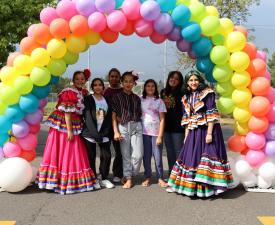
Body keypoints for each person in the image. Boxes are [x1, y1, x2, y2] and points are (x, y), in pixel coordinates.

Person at [167, 70, 234, 197]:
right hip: (193, 131)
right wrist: (186, 136)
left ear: (200, 81)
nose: (194, 82)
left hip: (207, 129)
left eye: (196, 80)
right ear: (187, 82)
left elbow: (211, 114)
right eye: (191, 80)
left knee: (207, 156)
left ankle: (211, 188)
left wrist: (209, 134)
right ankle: (192, 187)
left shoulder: (207, 93)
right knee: (191, 157)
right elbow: (187, 118)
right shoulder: (185, 97)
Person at [36, 70, 100, 194]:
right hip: (64, 125)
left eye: (82, 79)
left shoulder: (84, 92)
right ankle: (57, 180)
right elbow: (67, 113)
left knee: (72, 151)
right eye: (77, 79)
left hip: (74, 123)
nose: (80, 81)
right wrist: (70, 130)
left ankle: (67, 179)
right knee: (65, 150)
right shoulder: (69, 92)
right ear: (73, 80)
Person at [112, 71, 143, 189]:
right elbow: (114, 116)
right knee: (125, 155)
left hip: (136, 126)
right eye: (126, 81)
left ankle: (129, 174)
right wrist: (116, 131)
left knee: (138, 155)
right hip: (123, 127)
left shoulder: (137, 98)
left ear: (134, 83)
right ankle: (128, 179)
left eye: (131, 81)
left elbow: (140, 113)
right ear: (122, 82)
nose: (128, 84)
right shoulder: (116, 97)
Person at [82, 78, 114, 189]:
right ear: (92, 87)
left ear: (103, 87)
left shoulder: (107, 99)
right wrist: (95, 133)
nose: (98, 87)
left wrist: (104, 132)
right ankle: (93, 179)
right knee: (91, 157)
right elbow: (88, 117)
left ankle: (104, 178)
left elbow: (109, 117)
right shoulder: (88, 99)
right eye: (95, 85)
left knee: (107, 156)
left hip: (104, 134)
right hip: (90, 134)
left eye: (100, 84)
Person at [140, 79, 167, 188]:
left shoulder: (159, 101)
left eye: (152, 86)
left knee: (158, 157)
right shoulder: (140, 99)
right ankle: (147, 177)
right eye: (148, 86)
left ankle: (160, 177)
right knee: (146, 157)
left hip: (156, 134)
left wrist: (160, 136)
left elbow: (162, 119)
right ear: (145, 88)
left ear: (155, 88)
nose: (150, 88)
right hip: (143, 133)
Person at [160, 71, 184, 173]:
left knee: (178, 151)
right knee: (169, 151)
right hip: (166, 127)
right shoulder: (163, 92)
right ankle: (171, 172)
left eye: (176, 78)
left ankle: (180, 173)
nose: (173, 80)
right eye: (172, 77)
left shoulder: (182, 93)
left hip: (178, 127)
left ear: (179, 81)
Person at [103, 68, 123, 183]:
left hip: (119, 126)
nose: (114, 78)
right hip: (106, 126)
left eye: (116, 76)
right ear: (109, 78)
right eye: (112, 76)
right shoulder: (104, 91)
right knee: (105, 153)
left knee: (119, 152)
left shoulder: (123, 91)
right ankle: (104, 174)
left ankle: (117, 173)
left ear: (119, 78)